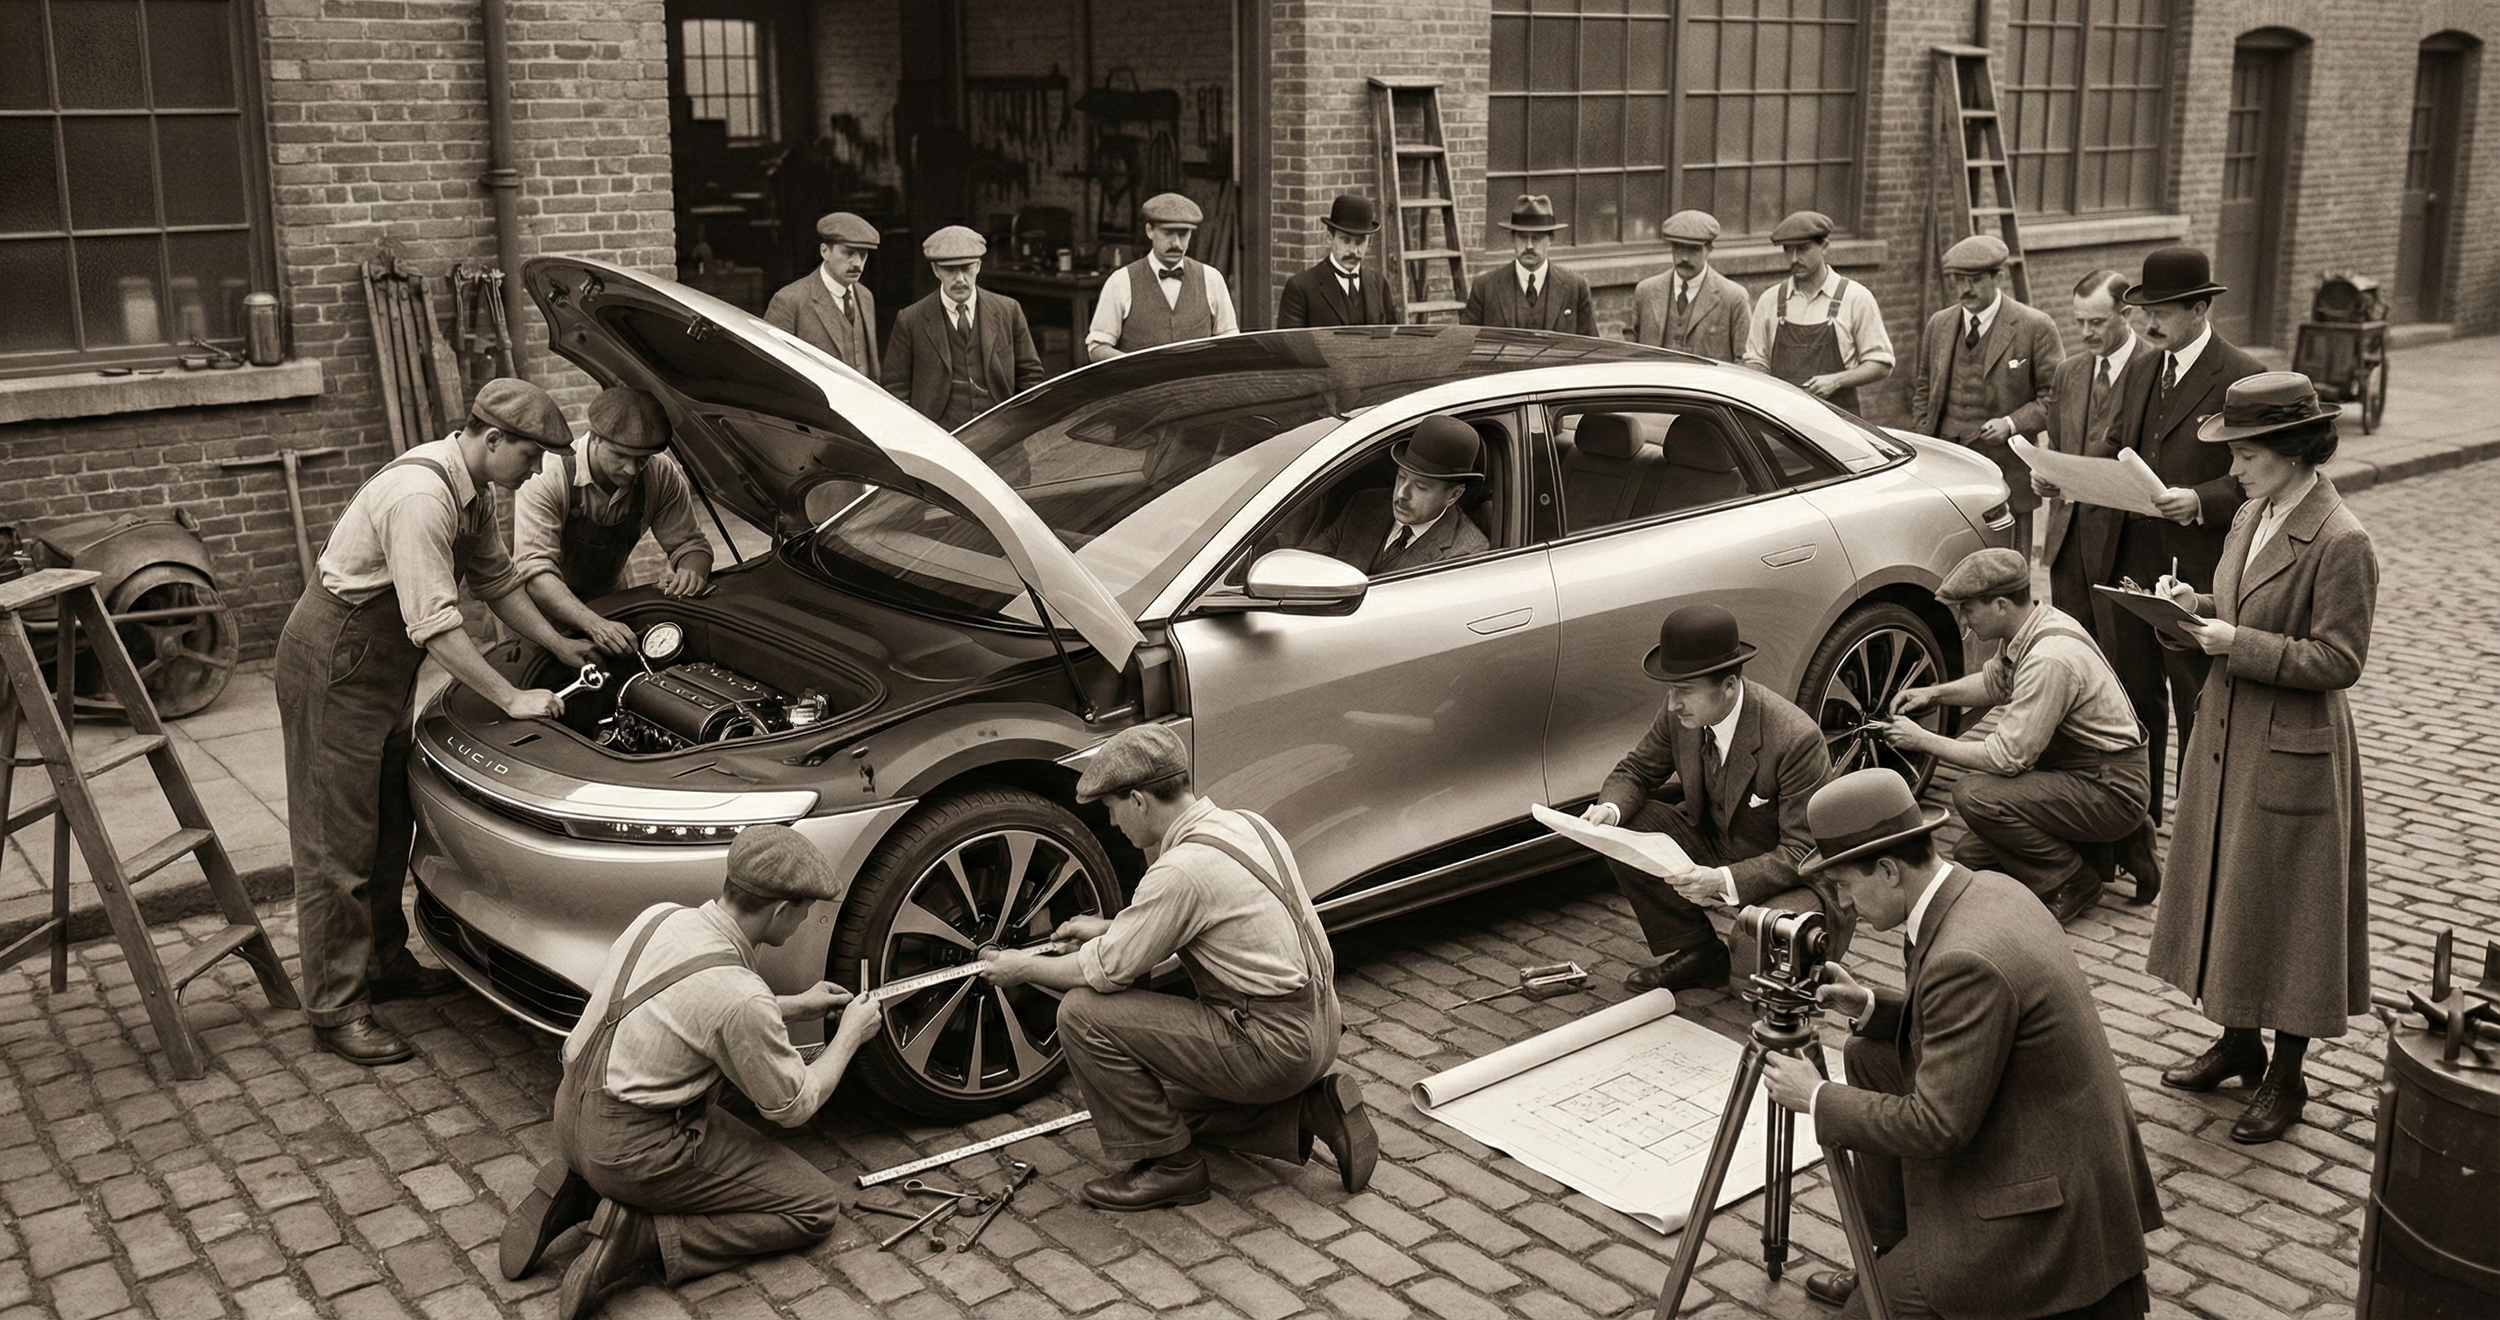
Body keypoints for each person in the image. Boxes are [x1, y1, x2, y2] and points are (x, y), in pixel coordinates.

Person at [1762, 769, 2161, 1320]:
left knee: (1864, 1316)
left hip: (2046, 1206)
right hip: (2050, 1136)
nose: (1845, 905)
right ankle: (1895, 1251)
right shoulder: (1985, 888)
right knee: (1870, 1054)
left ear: (1887, 869)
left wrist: (1815, 1098)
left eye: (1845, 886)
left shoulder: (1962, 958)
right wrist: (1871, 1006)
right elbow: (1978, 1024)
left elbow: (1938, 1125)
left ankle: (1912, 1278)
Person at [275, 379, 591, 1065]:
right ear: (490, 438)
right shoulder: (422, 498)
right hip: (338, 664)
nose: (536, 472)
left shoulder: (472, 493)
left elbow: (499, 583)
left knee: (389, 825)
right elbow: (435, 624)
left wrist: (563, 645)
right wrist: (510, 697)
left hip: (379, 670)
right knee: (337, 847)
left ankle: (384, 963)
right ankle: (335, 1007)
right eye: (530, 456)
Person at [978, 725, 1378, 1210]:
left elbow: (1099, 975)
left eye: (1111, 809)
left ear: (1140, 800)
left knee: (1082, 1015)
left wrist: (1020, 967)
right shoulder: (1246, 823)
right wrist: (1112, 927)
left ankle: (1172, 1168)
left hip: (1270, 1044)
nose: (1114, 824)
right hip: (1320, 1024)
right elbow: (1202, 920)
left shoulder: (1180, 870)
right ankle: (1310, 1111)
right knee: (1150, 1099)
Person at [497, 826, 887, 1318]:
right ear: (781, 910)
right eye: (805, 911)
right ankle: (640, 1235)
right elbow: (795, 1105)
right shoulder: (740, 995)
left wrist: (796, 1004)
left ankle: (577, 1185)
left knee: (694, 1094)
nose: (804, 921)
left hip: (572, 1112)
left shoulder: (661, 917)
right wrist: (851, 1033)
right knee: (813, 1209)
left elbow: (685, 1004)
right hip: (634, 1152)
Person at [2145, 372, 2377, 1145]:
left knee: (2287, 909)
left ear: (2289, 449)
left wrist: (2235, 643)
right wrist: (2194, 608)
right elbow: (2239, 606)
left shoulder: (2342, 539)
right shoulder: (2252, 512)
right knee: (2230, 891)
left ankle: (2288, 1075)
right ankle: (2237, 1042)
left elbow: (2339, 659)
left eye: (2245, 454)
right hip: (2229, 736)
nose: (2232, 471)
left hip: (2292, 746)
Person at [1875, 548, 2161, 919]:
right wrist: (1934, 693)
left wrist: (1922, 740)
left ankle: (2073, 880)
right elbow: (1996, 683)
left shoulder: (2049, 659)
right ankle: (2117, 844)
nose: (1963, 621)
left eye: (1968, 609)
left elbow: (2005, 759)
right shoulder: (2032, 626)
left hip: (2110, 786)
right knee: (1970, 857)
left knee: (1975, 796)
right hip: (2087, 774)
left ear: (2000, 605)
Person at [1581, 604, 1839, 992]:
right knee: (1628, 825)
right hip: (1714, 845)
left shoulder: (1795, 739)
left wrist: (1721, 880)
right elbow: (1635, 770)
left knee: (1750, 970)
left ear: (1730, 686)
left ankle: (1749, 955)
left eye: (1684, 691)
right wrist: (1610, 811)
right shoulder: (1679, 715)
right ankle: (1698, 952)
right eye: (1670, 689)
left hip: (1787, 879)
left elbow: (1804, 853)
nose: (1672, 704)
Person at [2100, 246, 2264, 820]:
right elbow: (2115, 442)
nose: (2149, 324)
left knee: (2198, 698)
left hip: (2199, 568)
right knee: (2135, 695)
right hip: (2135, 562)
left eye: (2163, 311)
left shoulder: (2242, 376)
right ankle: (2140, 817)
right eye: (2145, 310)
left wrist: (2200, 499)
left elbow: (2265, 476)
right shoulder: (2144, 367)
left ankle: (2200, 818)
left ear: (2199, 309)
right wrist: (2072, 476)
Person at [511, 386, 714, 655]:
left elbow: (690, 545)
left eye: (641, 460)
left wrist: (691, 572)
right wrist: (593, 624)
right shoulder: (548, 475)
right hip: (541, 615)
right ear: (594, 437)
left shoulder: (660, 474)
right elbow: (535, 571)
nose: (631, 470)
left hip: (610, 602)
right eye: (620, 456)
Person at [1910, 235, 2063, 552]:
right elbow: (1924, 389)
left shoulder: (2035, 326)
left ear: (1999, 277)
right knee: (1952, 559)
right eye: (1959, 280)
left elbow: (2055, 400)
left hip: (2007, 475)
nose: (1965, 289)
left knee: (2009, 567)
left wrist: (2011, 423)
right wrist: (1924, 443)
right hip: (1948, 471)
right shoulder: (1939, 324)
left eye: (1975, 280)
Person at [2037, 271, 2152, 622]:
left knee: (2124, 654)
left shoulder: (2154, 368)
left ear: (2126, 314)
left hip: (2126, 542)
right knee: (2073, 641)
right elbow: (2057, 444)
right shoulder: (2068, 372)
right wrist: (2044, 476)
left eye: (2098, 322)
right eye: (2080, 322)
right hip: (2068, 537)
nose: (2087, 332)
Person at [882, 225, 1045, 428]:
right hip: (940, 435)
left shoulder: (1008, 310)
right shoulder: (910, 319)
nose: (960, 279)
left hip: (1002, 430)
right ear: (936, 270)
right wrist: (918, 434)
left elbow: (1030, 376)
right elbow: (895, 388)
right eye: (950, 270)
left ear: (978, 266)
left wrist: (1020, 424)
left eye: (966, 268)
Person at [1744, 211, 1893, 416]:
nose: (1795, 259)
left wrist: (1837, 380)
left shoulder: (1856, 297)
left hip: (1839, 423)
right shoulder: (1770, 300)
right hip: (1781, 421)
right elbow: (1756, 360)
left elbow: (1881, 364)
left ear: (1824, 247)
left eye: (1803, 249)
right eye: (1789, 251)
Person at [1302, 414, 1489, 574]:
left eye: (1420, 487)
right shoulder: (1364, 504)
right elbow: (1308, 562)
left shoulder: (1467, 553)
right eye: (1401, 477)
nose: (1401, 493)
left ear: (1453, 495)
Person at [1086, 192, 1241, 361]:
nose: (1176, 244)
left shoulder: (1211, 279)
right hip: (1143, 385)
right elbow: (1097, 348)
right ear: (1149, 231)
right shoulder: (1121, 282)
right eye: (1168, 233)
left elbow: (1229, 341)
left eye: (1183, 234)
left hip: (1197, 385)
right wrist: (1134, 367)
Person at [762, 211, 882, 377]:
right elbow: (773, 370)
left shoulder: (865, 297)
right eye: (848, 253)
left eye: (863, 255)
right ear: (825, 251)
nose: (857, 263)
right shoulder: (790, 300)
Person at [1460, 194, 1596, 335]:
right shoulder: (1485, 287)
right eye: (1523, 237)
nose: (1529, 245)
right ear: (1513, 238)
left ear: (1551, 239)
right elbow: (1466, 345)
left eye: (1536, 238)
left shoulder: (1575, 287)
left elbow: (1593, 351)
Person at [1631, 210, 1749, 362]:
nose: (1684, 258)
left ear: (1709, 249)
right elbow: (1629, 355)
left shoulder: (1733, 297)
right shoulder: (1646, 292)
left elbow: (1743, 362)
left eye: (1693, 249)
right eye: (1679, 248)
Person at [1276, 194, 1395, 328]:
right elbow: (1290, 346)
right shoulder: (1301, 288)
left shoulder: (1379, 284)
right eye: (1346, 240)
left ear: (1369, 242)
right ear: (1329, 238)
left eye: (1360, 242)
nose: (1353, 251)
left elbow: (1393, 342)